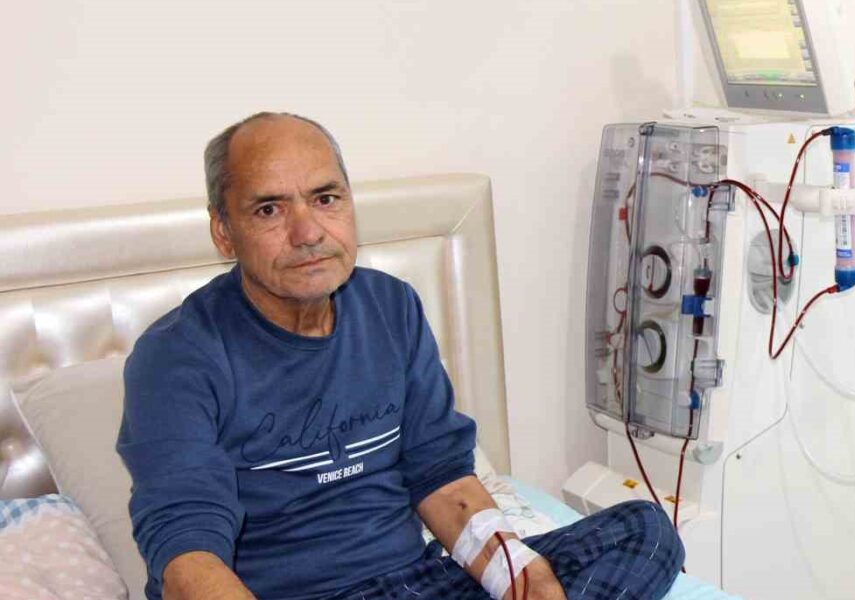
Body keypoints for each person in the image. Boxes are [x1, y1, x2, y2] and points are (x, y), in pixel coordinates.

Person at [117, 112, 683, 600]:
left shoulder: (391, 307)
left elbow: (442, 479)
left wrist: (520, 576)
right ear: (223, 231)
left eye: (325, 199)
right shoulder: (177, 356)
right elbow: (187, 554)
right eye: (269, 210)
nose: (307, 232)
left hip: (415, 581)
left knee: (646, 530)